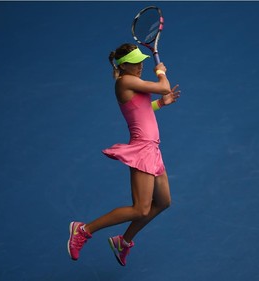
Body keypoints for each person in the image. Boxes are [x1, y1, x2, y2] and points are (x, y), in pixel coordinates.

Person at [67, 43, 180, 266]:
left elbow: (140, 110)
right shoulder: (125, 81)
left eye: (141, 62)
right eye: (135, 63)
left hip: (153, 149)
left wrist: (160, 104)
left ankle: (123, 242)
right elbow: (164, 86)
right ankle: (83, 229)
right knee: (140, 208)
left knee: (163, 202)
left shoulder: (132, 82)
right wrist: (161, 72)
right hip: (142, 149)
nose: (139, 66)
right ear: (123, 65)